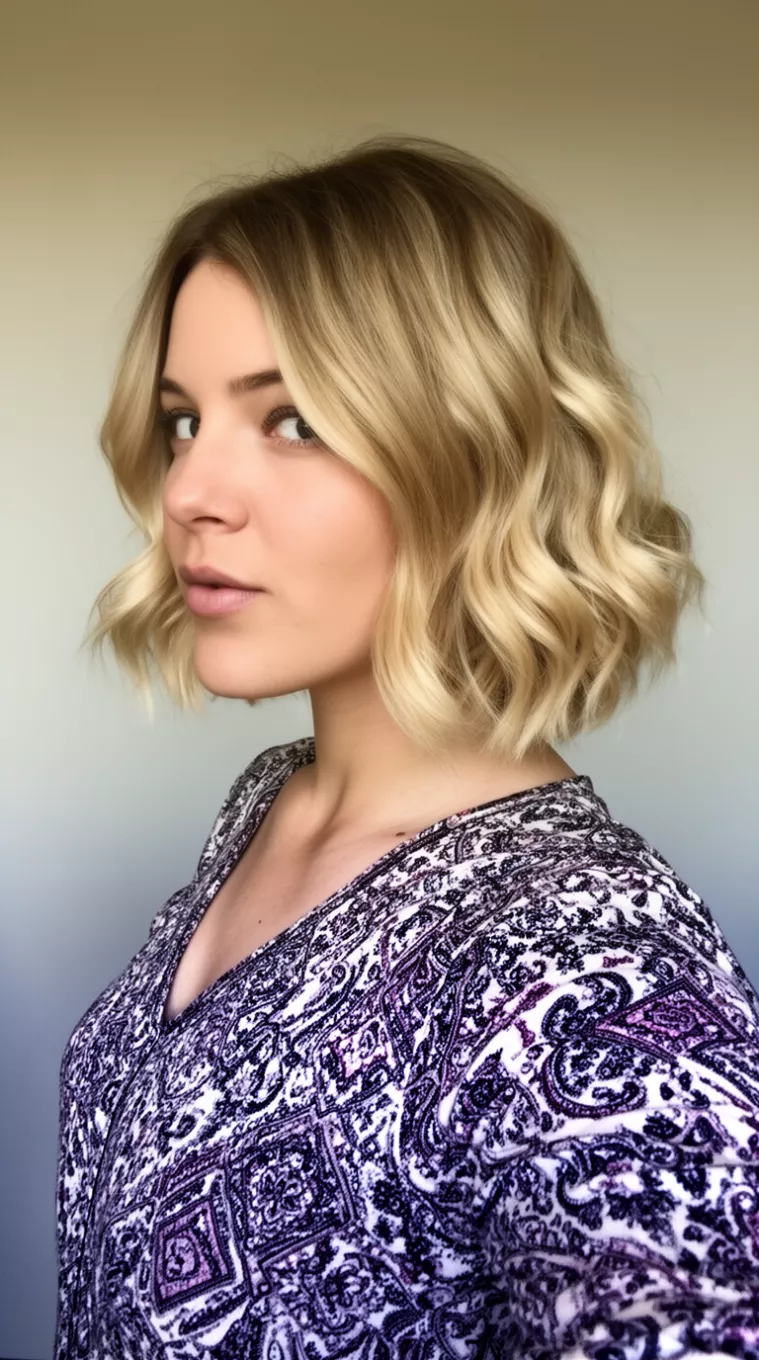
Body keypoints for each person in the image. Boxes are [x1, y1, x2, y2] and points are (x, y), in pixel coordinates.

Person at [57, 134, 759, 1360]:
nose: (188, 494)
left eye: (292, 418)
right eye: (183, 421)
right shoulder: (273, 800)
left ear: (472, 453)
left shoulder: (585, 966)